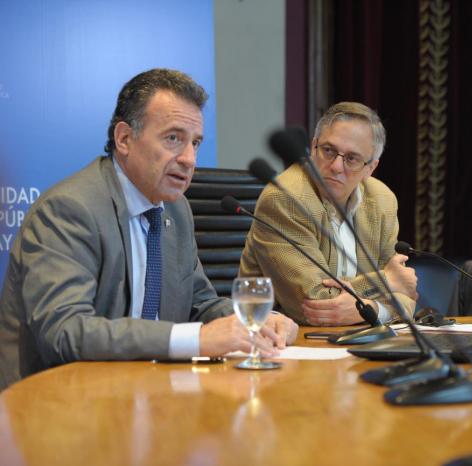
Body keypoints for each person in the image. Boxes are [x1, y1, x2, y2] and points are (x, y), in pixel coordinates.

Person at [0, 69, 298, 390]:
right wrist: (197, 339)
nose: (189, 159)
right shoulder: (70, 209)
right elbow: (65, 332)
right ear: (124, 139)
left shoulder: (175, 208)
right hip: (57, 406)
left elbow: (201, 305)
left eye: (195, 143)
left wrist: (259, 322)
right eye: (173, 139)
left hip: (143, 392)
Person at [239, 102, 417, 326]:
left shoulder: (382, 201)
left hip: (359, 341)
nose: (336, 166)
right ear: (314, 147)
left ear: (370, 168)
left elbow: (407, 297)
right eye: (328, 151)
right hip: (287, 344)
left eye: (351, 158)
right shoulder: (286, 198)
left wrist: (373, 309)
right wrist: (385, 282)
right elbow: (314, 302)